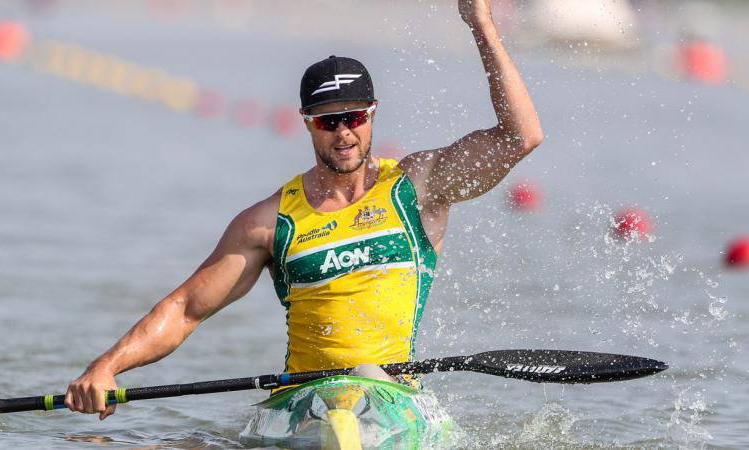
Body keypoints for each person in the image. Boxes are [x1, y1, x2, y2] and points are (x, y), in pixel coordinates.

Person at [65, 0, 542, 420]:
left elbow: (521, 137)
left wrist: (481, 25)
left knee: (367, 374)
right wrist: (106, 367)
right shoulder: (267, 222)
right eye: (328, 122)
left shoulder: (417, 188)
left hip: (393, 400)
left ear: (372, 113)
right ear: (308, 124)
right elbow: (186, 309)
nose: (344, 133)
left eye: (354, 117)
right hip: (305, 407)